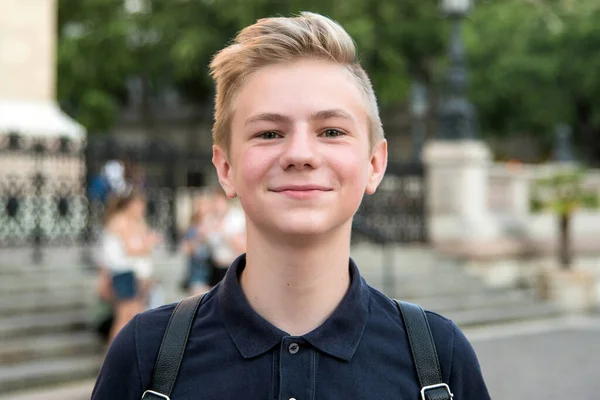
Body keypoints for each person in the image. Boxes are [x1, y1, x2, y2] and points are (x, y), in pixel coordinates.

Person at [92, 12, 490, 399]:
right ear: (226, 168)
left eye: (331, 131)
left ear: (374, 164)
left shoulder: (440, 360)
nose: (300, 154)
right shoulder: (147, 357)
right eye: (268, 133)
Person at [97, 190, 161, 345]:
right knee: (124, 317)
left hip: (133, 274)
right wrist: (150, 244)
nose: (141, 209)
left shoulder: (136, 222)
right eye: (138, 205)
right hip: (123, 274)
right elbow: (129, 250)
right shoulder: (120, 221)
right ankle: (112, 358)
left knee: (134, 315)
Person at [204, 185, 246, 286]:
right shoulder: (210, 218)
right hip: (214, 267)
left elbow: (241, 247)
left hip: (232, 267)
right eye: (213, 201)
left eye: (218, 201)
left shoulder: (236, 217)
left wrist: (223, 231)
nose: (215, 205)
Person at [180, 193, 214, 295]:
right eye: (201, 205)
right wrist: (200, 237)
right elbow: (186, 249)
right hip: (197, 276)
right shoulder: (193, 229)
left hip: (214, 275)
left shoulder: (215, 225)